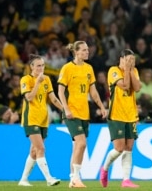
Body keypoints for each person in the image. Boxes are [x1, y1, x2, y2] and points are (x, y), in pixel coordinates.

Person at [58, 41, 107, 188]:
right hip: (71, 112)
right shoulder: (67, 68)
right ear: (76, 52)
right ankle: (75, 177)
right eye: (84, 50)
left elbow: (93, 91)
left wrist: (101, 106)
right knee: (81, 144)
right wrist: (65, 109)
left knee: (77, 147)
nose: (87, 52)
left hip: (84, 113)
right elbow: (60, 91)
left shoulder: (89, 69)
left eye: (87, 50)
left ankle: (72, 179)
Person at [18, 54, 64, 187]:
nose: (41, 68)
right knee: (41, 148)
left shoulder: (47, 80)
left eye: (43, 65)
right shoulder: (25, 80)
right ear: (31, 67)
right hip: (31, 118)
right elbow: (29, 98)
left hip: (44, 119)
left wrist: (64, 110)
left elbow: (53, 99)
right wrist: (38, 82)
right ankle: (49, 178)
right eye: (38, 65)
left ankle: (23, 179)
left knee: (34, 151)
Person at [100, 49, 142, 188]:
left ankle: (126, 180)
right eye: (129, 60)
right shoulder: (114, 71)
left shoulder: (133, 71)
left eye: (133, 60)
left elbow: (137, 88)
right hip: (116, 114)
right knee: (119, 148)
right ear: (121, 59)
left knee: (129, 147)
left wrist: (130, 70)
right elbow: (125, 86)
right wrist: (127, 71)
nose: (131, 62)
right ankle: (105, 169)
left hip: (131, 115)